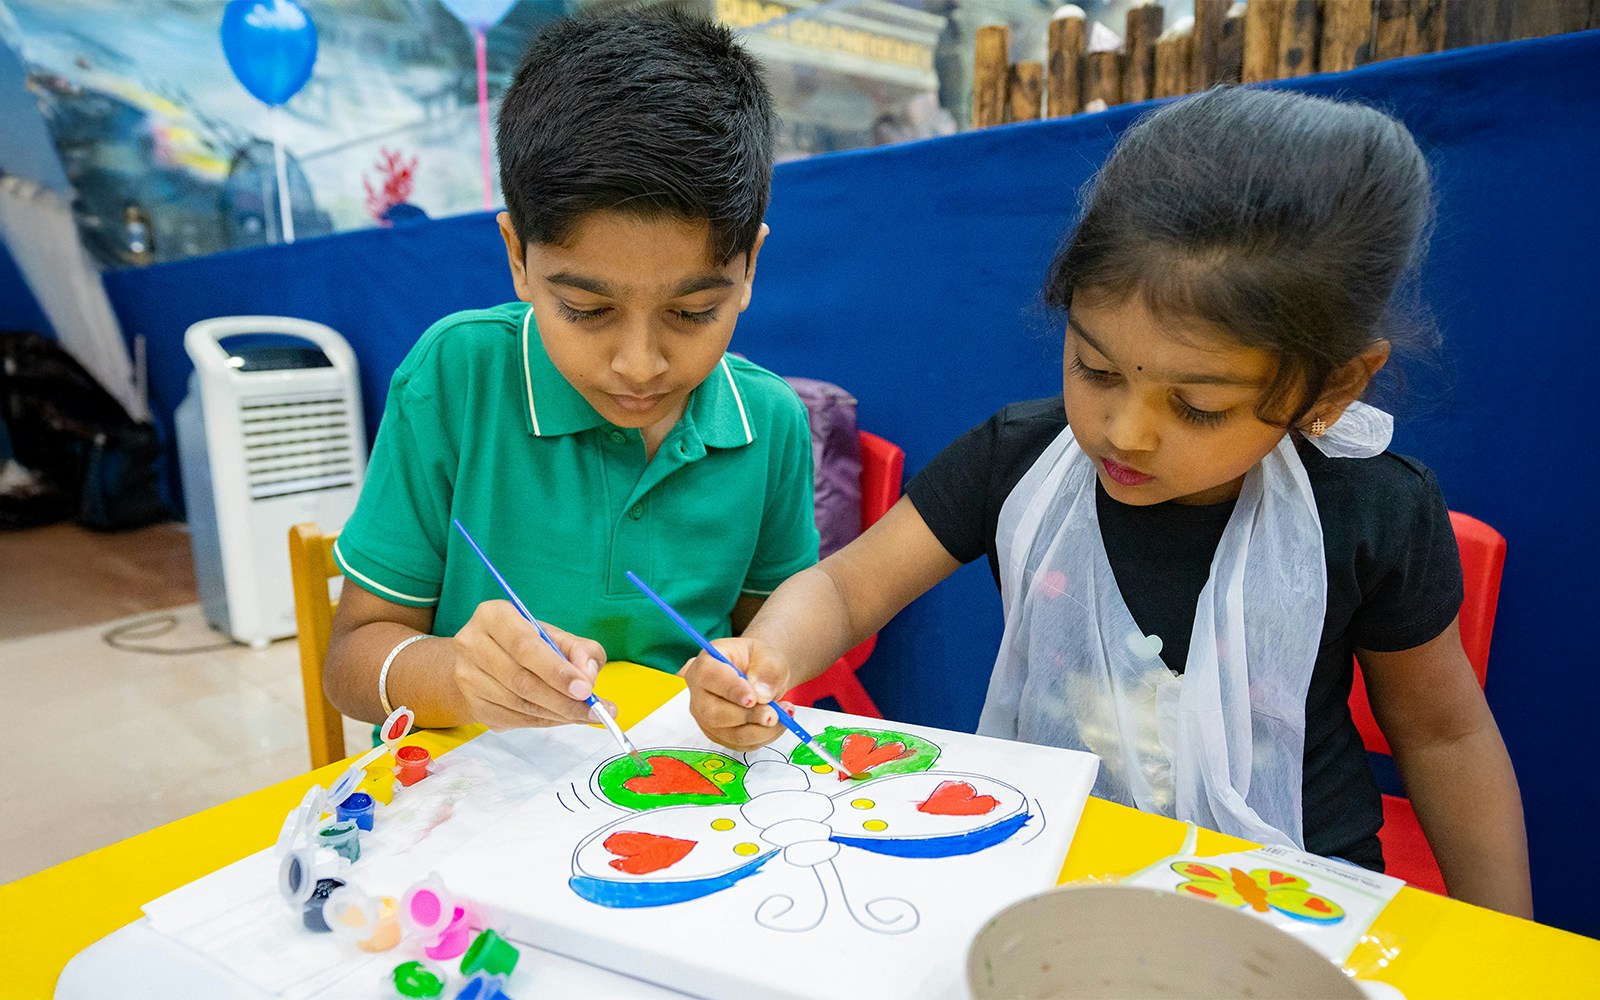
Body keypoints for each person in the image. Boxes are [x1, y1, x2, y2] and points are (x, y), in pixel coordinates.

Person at [683, 87, 1533, 917]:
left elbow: (1445, 739)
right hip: (1053, 870)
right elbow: (843, 588)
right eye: (1094, 368)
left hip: (1290, 897)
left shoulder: (1373, 510)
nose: (1125, 432)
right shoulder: (1016, 460)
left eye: (1198, 406)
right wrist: (767, 657)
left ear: (1333, 386)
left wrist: (1516, 957)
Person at [324, 8, 819, 735]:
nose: (640, 364)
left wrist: (756, 682)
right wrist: (459, 681)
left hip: (667, 802)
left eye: (692, 313)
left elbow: (765, 642)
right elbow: (350, 660)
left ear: (749, 268)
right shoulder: (456, 379)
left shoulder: (769, 423)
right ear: (518, 256)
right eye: (586, 309)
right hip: (472, 801)